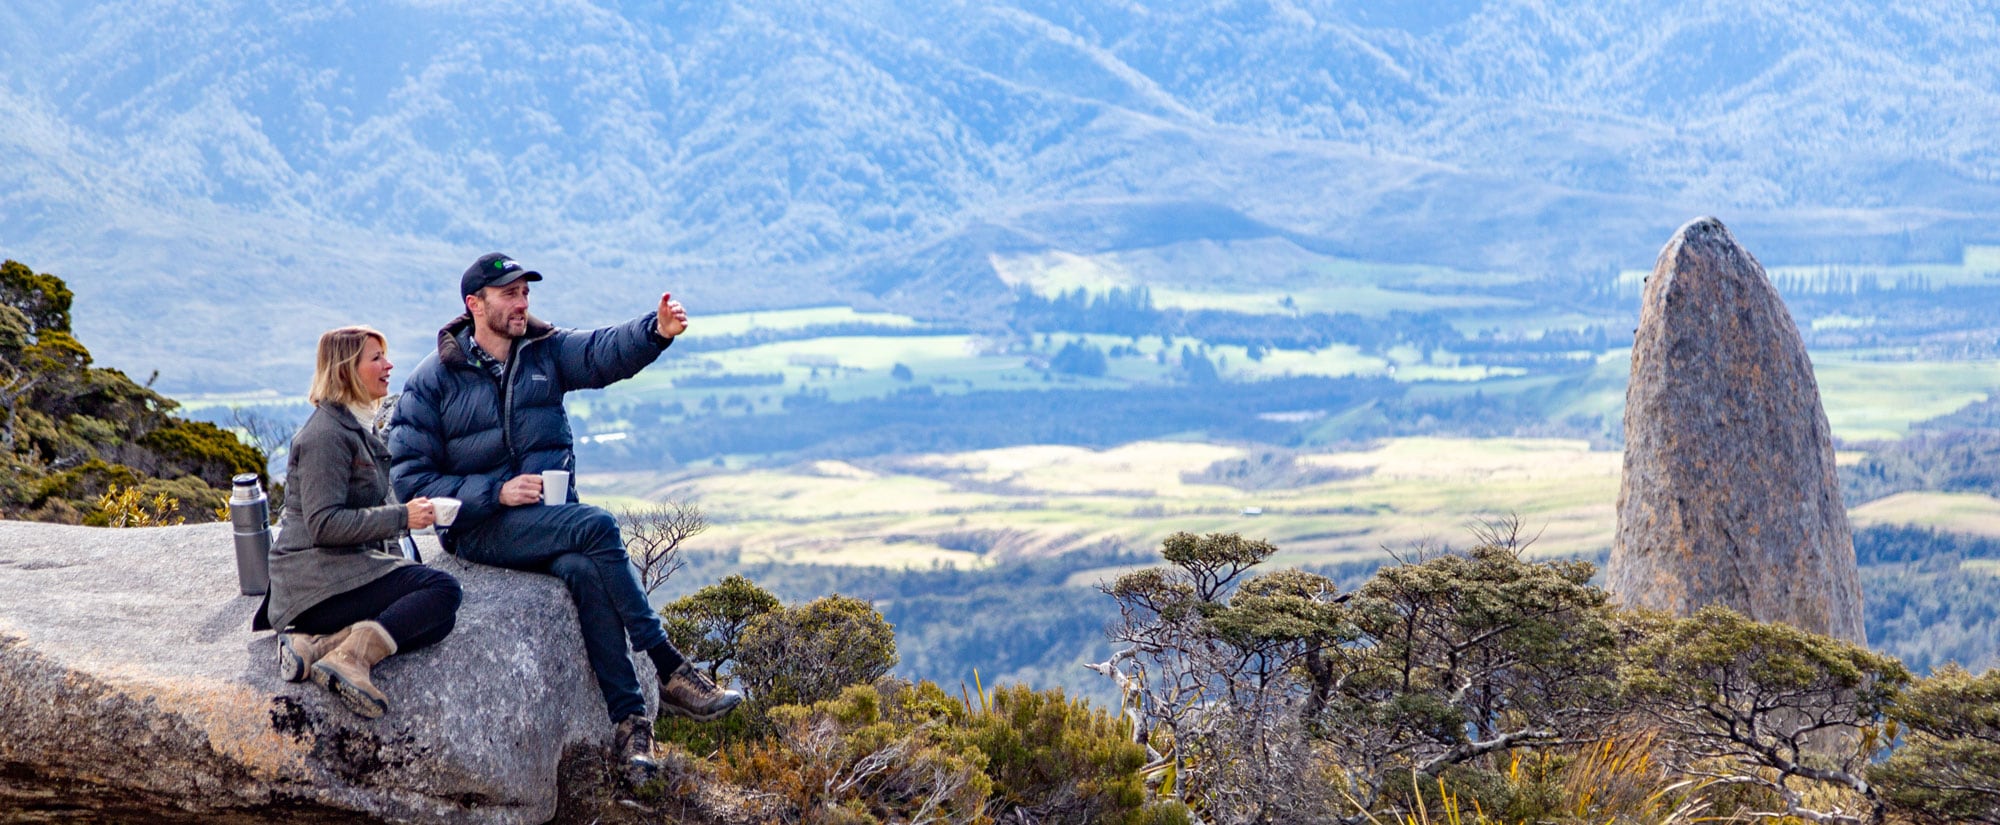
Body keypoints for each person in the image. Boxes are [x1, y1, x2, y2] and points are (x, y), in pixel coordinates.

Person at [386, 253, 742, 778]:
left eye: (525, 292)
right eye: (509, 293)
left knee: (583, 571)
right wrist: (496, 493)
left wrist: (656, 331)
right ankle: (668, 666)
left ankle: (631, 729)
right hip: (478, 528)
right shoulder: (433, 380)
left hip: (546, 521)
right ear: (474, 304)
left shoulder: (543, 351)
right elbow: (412, 482)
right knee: (597, 525)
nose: (522, 302)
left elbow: (600, 352)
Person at [255, 326, 463, 720]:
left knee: (438, 622)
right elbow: (324, 524)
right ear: (346, 370)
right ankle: (349, 659)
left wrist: (398, 553)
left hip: (339, 574)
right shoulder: (324, 436)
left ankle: (318, 646)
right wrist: (402, 517)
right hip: (312, 588)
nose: (389, 365)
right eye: (376, 358)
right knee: (442, 590)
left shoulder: (355, 425)